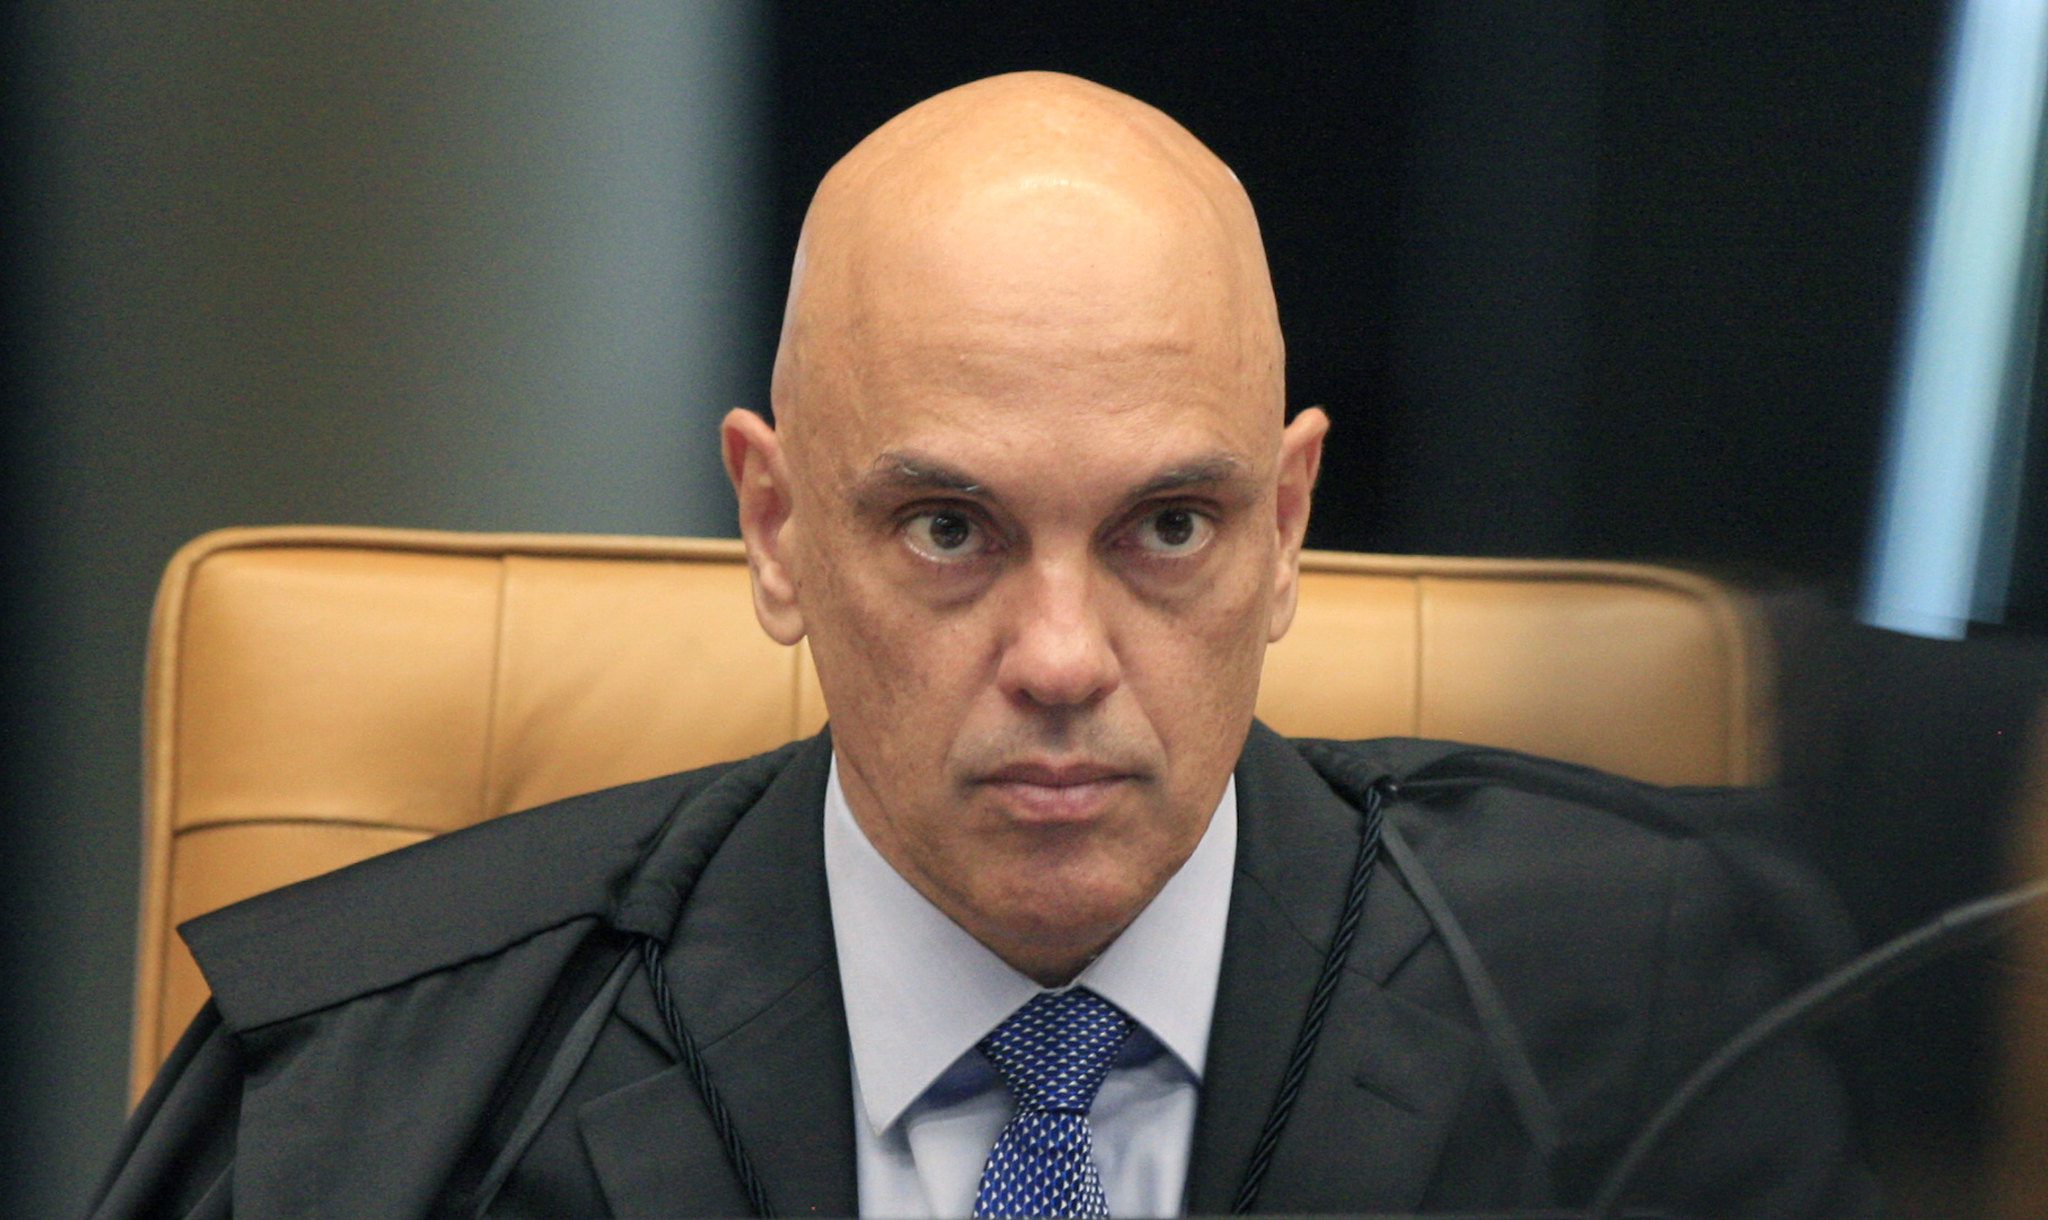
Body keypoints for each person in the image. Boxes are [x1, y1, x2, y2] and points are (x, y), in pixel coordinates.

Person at [90, 72, 1874, 1219]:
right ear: (776, 529)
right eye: (950, 529)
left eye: (1167, 528)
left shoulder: (1660, 1028)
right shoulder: (373, 1095)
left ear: (1287, 528)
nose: (1062, 659)